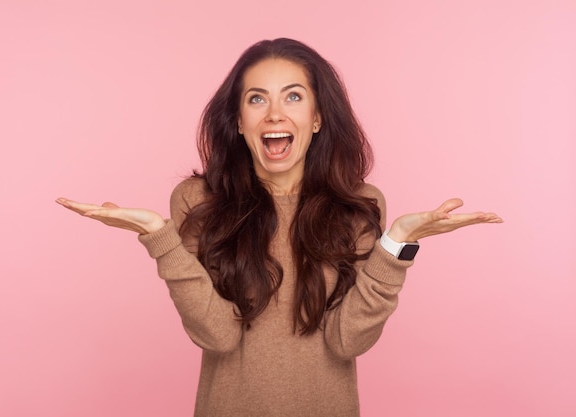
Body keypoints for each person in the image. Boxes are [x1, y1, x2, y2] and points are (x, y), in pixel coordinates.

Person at [56, 38, 502, 417]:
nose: (273, 114)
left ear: (317, 118)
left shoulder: (359, 207)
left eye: (292, 96)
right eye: (256, 98)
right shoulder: (199, 202)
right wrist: (161, 238)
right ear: (238, 121)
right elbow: (218, 335)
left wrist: (396, 245)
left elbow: (347, 341)